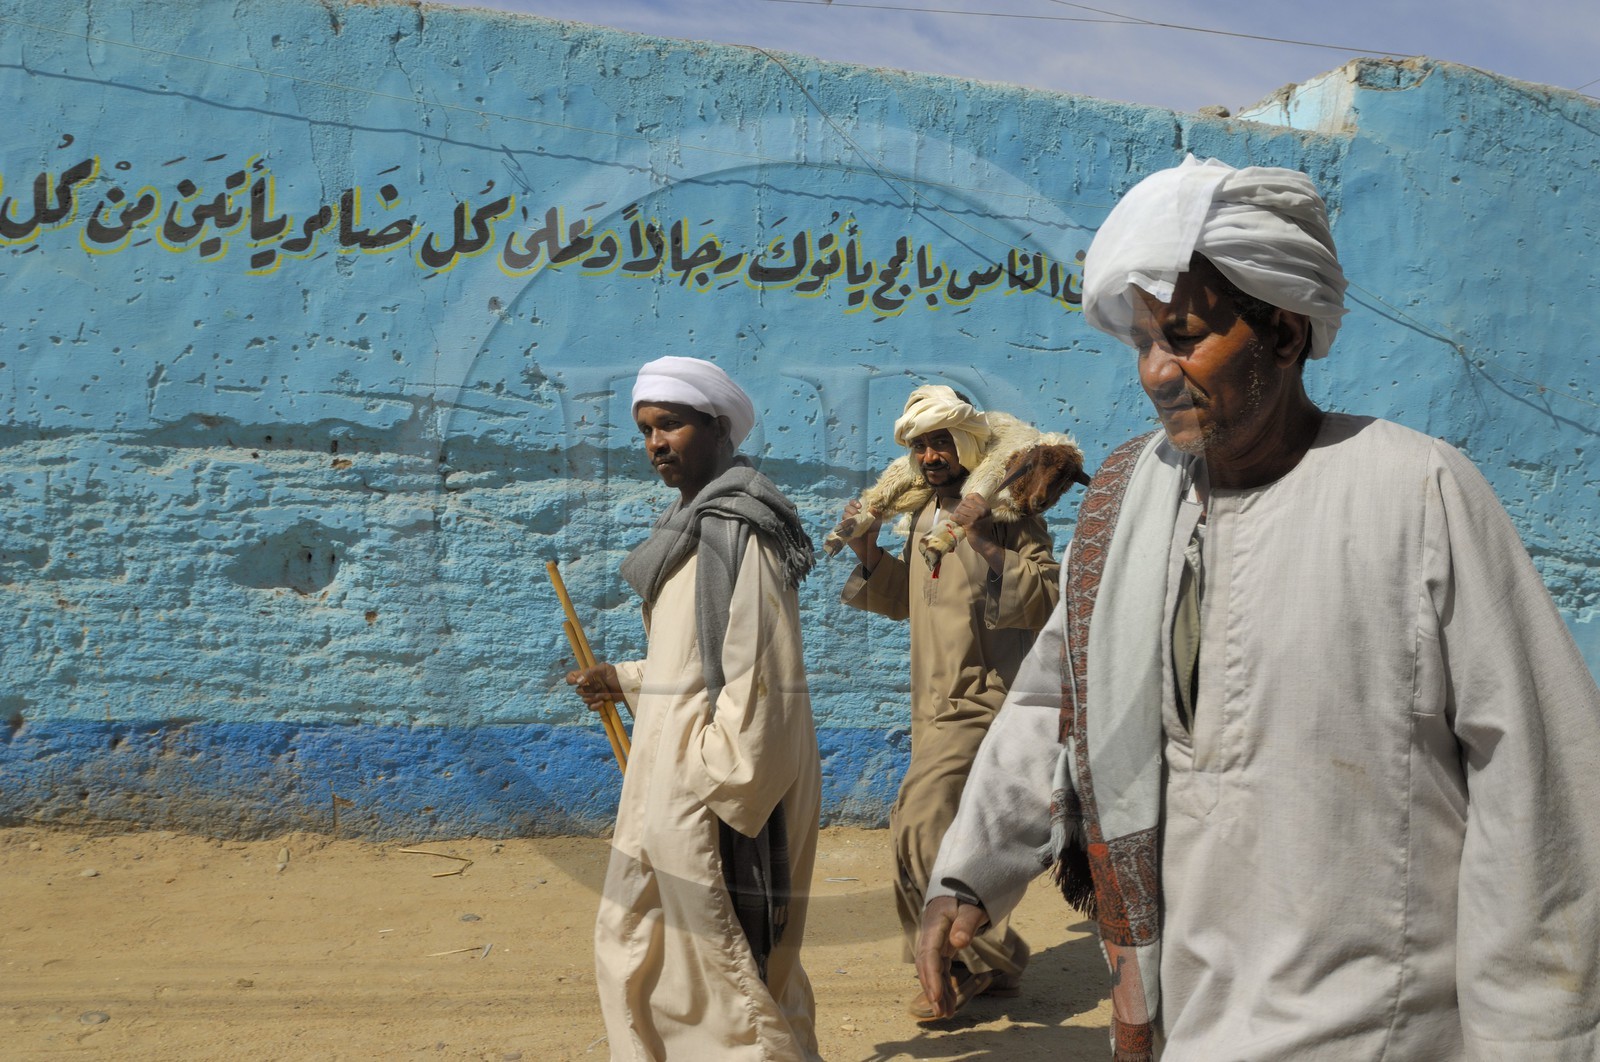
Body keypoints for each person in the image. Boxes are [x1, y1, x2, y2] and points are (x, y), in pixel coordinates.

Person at [915, 157, 1600, 1060]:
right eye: (1143, 343)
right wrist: (972, 872)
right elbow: (1053, 701)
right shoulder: (1129, 502)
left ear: (1280, 331)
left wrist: (1537, 1038)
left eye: (1186, 336)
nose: (1159, 371)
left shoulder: (1415, 490)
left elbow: (1539, 781)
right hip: (1187, 1005)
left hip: (1382, 1026)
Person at [566, 355, 822, 1061]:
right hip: (666, 777)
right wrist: (622, 678)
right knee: (639, 946)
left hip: (712, 790)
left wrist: (716, 777)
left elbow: (759, 673)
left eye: (670, 425)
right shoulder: (687, 527)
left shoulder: (742, 532)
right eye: (646, 429)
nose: (655, 443)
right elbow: (689, 663)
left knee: (721, 966)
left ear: (716, 427)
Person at [836, 384, 1059, 1020]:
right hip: (932, 704)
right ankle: (997, 954)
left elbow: (1045, 593)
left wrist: (983, 538)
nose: (931, 455)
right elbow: (908, 598)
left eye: (942, 442)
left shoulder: (1010, 514)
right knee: (949, 833)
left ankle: (958, 965)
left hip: (985, 695)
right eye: (921, 445)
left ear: (967, 445)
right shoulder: (921, 519)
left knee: (917, 823)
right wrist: (866, 550)